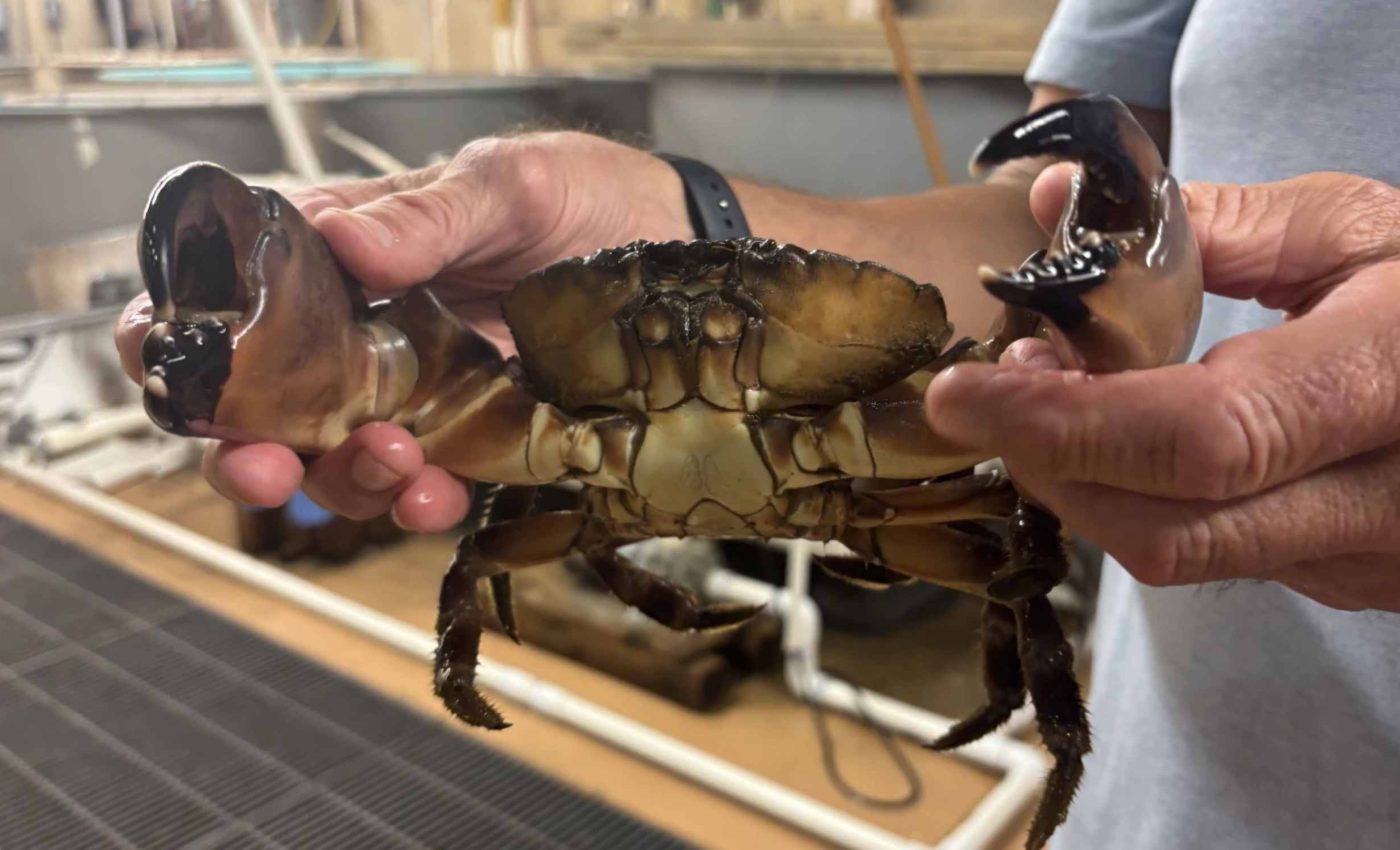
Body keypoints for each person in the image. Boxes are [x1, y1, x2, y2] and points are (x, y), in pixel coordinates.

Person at [115, 0, 1400, 846]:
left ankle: (1044, 746)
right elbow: (1044, 206)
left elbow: (1056, 328)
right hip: (1175, 789)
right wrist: (686, 202)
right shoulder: (488, 398)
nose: (704, 331)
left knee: (1009, 554)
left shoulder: (943, 412)